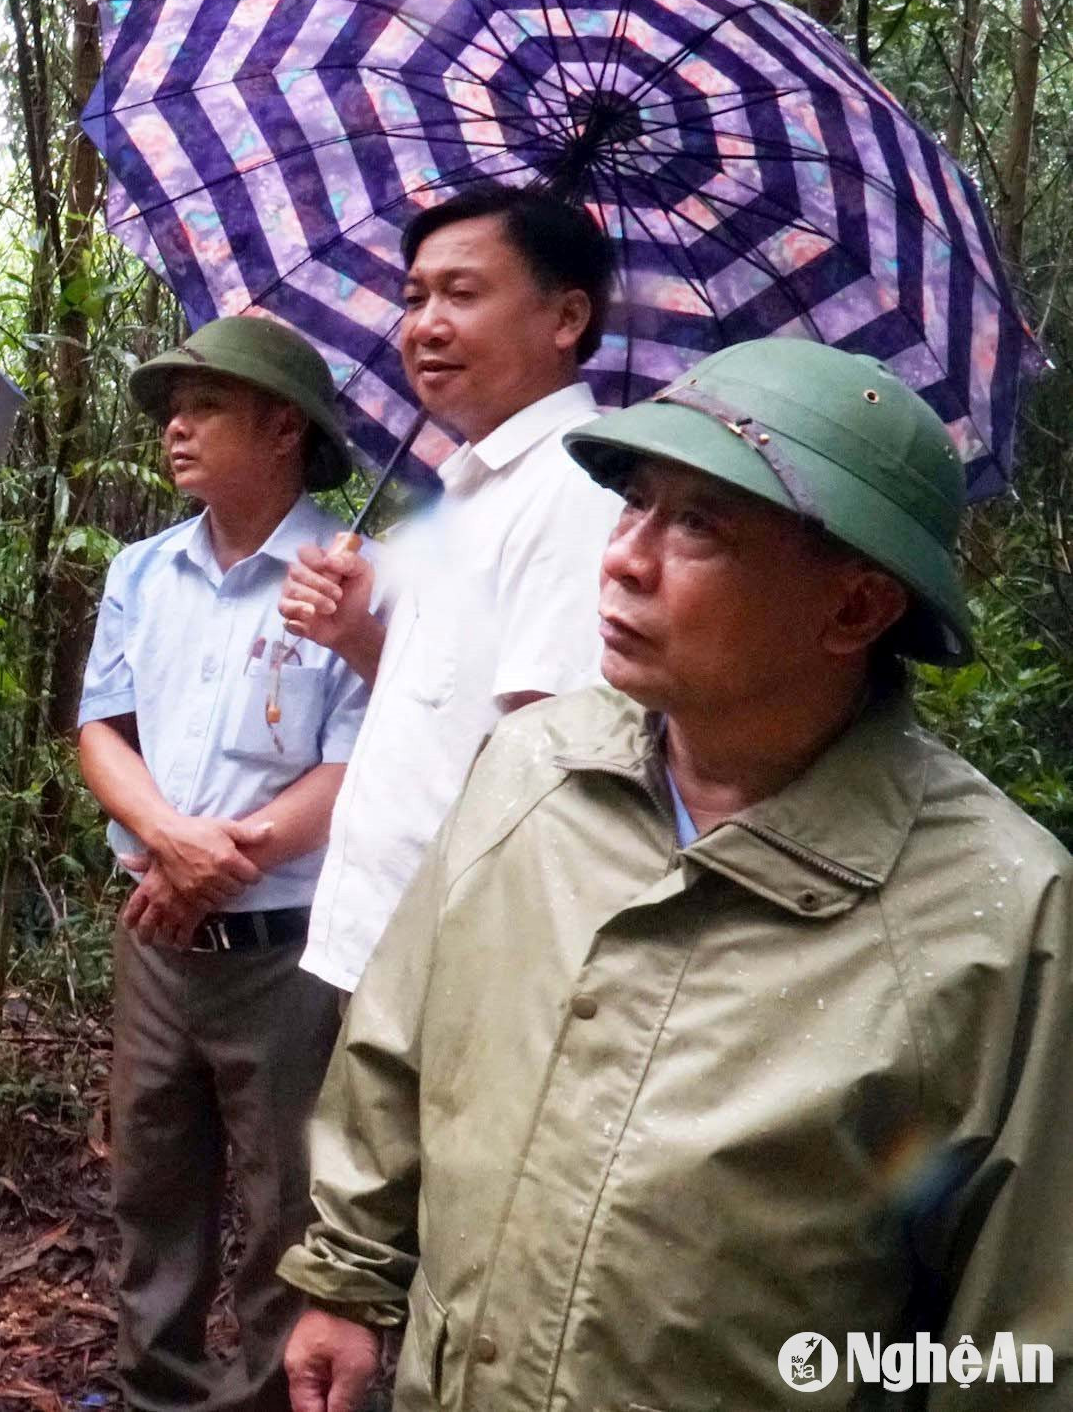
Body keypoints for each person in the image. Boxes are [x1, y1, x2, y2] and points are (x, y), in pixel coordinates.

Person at [279, 339, 1073, 1412]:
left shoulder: (999, 915)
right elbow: (399, 1038)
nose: (622, 557)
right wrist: (347, 1275)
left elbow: (1018, 1338)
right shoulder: (531, 769)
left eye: (699, 523)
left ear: (853, 609)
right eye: (635, 502)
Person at [76, 316, 371, 1412]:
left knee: (285, 1194)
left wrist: (219, 860)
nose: (176, 428)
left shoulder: (355, 584)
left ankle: (265, 1393)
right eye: (170, 408)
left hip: (287, 950)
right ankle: (152, 1387)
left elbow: (359, 764)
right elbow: (102, 728)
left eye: (205, 405)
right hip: (154, 934)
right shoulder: (144, 570)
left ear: (282, 425)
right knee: (150, 1181)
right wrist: (169, 838)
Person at [280, 184, 621, 994]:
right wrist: (358, 631)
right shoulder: (467, 487)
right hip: (377, 945)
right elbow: (448, 707)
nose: (426, 323)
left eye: (462, 294)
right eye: (414, 295)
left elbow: (547, 758)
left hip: (454, 969)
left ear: (567, 319)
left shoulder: (579, 488)